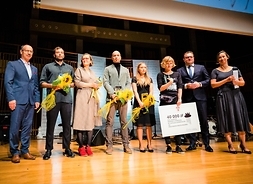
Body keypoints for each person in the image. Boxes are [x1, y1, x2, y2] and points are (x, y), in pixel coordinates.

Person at [4, 44, 40, 163]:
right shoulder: (13, 65)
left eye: (31, 51)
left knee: (27, 127)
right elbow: (8, 82)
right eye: (27, 51)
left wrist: (37, 99)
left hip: (30, 101)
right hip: (17, 100)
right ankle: (14, 151)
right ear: (21, 52)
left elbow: (35, 86)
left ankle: (25, 150)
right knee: (15, 126)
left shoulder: (34, 69)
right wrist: (11, 98)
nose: (29, 53)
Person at [210, 50, 251, 154]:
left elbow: (242, 83)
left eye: (223, 56)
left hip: (236, 96)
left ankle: (243, 145)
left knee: (239, 118)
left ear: (227, 57)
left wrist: (235, 82)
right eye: (220, 57)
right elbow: (213, 85)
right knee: (226, 119)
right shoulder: (215, 71)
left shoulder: (235, 69)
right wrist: (226, 80)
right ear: (218, 60)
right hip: (223, 97)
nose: (222, 59)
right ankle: (230, 145)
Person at [40, 46, 75, 160]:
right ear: (54, 55)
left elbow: (74, 83)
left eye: (62, 52)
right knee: (50, 125)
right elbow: (42, 83)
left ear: (64, 55)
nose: (60, 54)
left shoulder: (69, 68)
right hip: (53, 99)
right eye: (57, 52)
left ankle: (67, 148)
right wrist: (53, 86)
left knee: (67, 126)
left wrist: (67, 85)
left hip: (66, 99)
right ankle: (48, 149)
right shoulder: (48, 67)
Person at [177, 51, 213, 152]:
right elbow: (178, 83)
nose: (189, 58)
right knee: (190, 121)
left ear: (194, 58)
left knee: (203, 121)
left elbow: (208, 80)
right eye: (187, 57)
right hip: (188, 98)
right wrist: (185, 86)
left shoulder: (201, 67)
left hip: (200, 98)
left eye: (190, 57)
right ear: (183, 59)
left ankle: (207, 144)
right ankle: (192, 143)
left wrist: (200, 84)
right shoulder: (179, 70)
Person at [73, 53, 102, 156]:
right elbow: (77, 83)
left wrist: (97, 85)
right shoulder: (79, 70)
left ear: (90, 61)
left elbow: (96, 83)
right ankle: (81, 146)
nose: (85, 60)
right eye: (83, 58)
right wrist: (91, 85)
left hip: (92, 98)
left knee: (90, 122)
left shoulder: (92, 72)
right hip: (82, 96)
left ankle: (88, 146)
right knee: (80, 121)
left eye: (87, 58)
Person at [103, 50, 132, 155]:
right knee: (109, 122)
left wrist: (124, 93)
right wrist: (112, 93)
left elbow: (129, 82)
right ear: (112, 57)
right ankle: (109, 145)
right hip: (111, 99)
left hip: (123, 99)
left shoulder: (125, 70)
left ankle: (126, 145)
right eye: (114, 55)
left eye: (118, 55)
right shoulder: (107, 69)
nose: (116, 57)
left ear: (120, 57)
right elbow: (105, 82)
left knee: (124, 121)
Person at [157, 56, 184, 154]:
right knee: (166, 124)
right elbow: (160, 88)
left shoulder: (177, 74)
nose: (169, 64)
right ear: (163, 64)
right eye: (167, 63)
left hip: (175, 100)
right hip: (164, 101)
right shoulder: (160, 75)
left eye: (171, 63)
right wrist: (170, 82)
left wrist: (180, 98)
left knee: (177, 123)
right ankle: (168, 145)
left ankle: (178, 145)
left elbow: (180, 87)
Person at [132, 62, 156, 153]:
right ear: (138, 69)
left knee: (149, 125)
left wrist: (147, 102)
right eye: (141, 67)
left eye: (145, 67)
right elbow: (135, 91)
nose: (143, 69)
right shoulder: (134, 79)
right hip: (139, 103)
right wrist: (140, 102)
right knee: (140, 124)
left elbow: (151, 91)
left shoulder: (149, 79)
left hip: (148, 104)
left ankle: (149, 144)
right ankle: (141, 144)